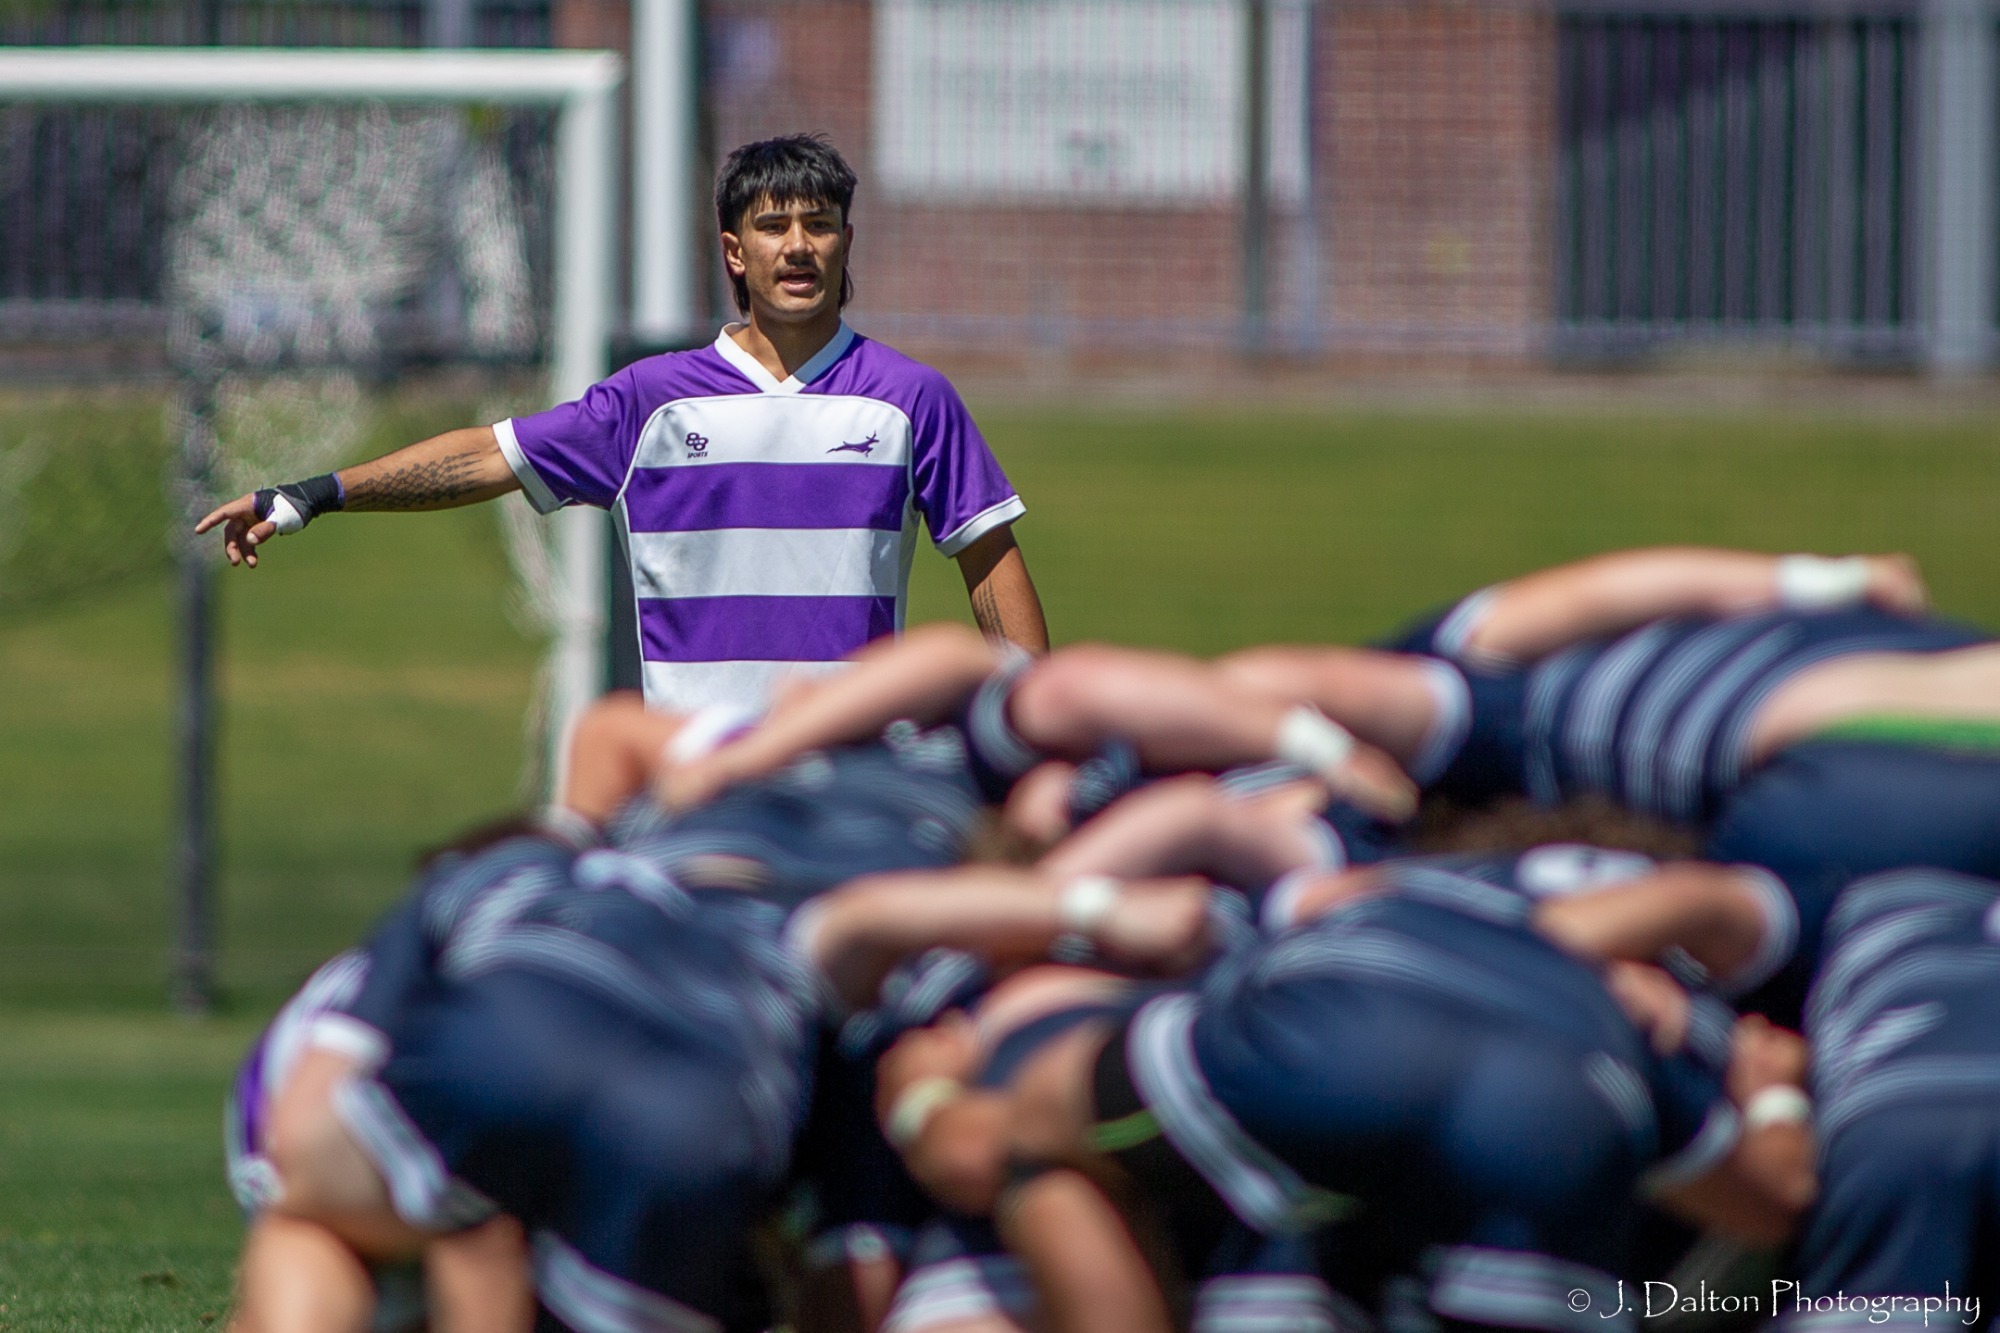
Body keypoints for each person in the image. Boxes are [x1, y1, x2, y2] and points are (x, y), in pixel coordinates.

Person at [195, 134, 1047, 711]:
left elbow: (989, 562)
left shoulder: (910, 398)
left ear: (846, 242)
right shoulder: (651, 402)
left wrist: (1038, 733)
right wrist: (315, 493)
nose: (798, 246)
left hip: (849, 786)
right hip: (688, 787)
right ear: (733, 250)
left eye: (819, 225)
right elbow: (484, 458)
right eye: (774, 225)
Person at [1786, 868, 2000, 1330]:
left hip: (1898, 1134)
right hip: (1901, 1131)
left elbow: (1779, 1189)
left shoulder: (1859, 887)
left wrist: (1773, 1103)